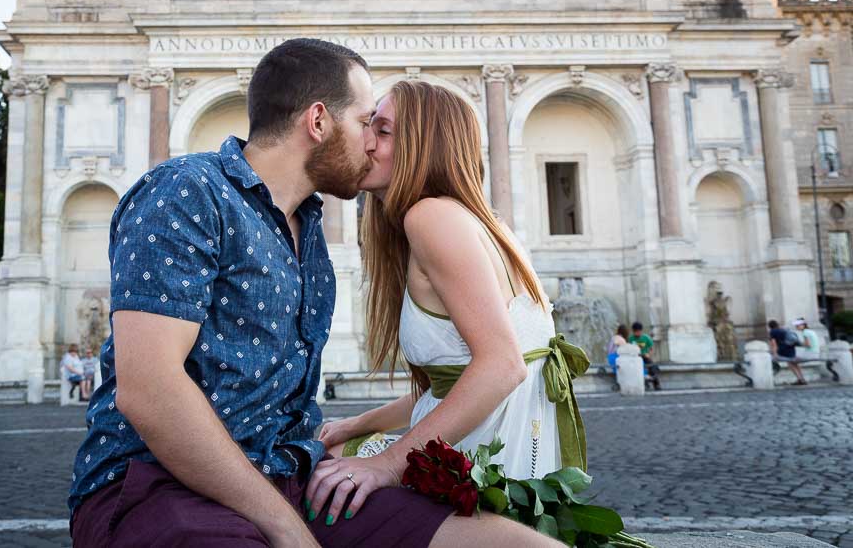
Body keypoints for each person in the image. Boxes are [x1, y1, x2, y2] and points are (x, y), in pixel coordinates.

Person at [68, 41, 559, 547]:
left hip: (293, 481)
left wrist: (340, 457)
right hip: (157, 485)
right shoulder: (186, 191)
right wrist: (288, 529)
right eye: (367, 121)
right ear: (318, 122)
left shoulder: (310, 225)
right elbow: (149, 390)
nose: (371, 140)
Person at [311, 80, 589, 521]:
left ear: (423, 146)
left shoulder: (431, 217)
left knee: (322, 478)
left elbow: (501, 367)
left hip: (487, 464)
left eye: (383, 131)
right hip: (518, 457)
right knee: (337, 450)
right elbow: (450, 389)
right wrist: (354, 424)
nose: (365, 143)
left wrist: (384, 465)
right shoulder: (476, 221)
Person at [768, 319, 807, 385]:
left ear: (769, 326)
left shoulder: (772, 332)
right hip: (791, 348)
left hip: (784, 349)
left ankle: (799, 379)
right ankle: (802, 378)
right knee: (794, 363)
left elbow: (774, 344)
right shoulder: (783, 329)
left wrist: (774, 353)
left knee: (790, 363)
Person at [629, 322, 661, 390]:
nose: (637, 333)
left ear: (641, 331)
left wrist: (649, 354)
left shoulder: (646, 338)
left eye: (638, 332)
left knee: (652, 367)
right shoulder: (630, 338)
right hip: (634, 357)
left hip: (644, 356)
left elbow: (652, 348)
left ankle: (656, 384)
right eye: (635, 332)